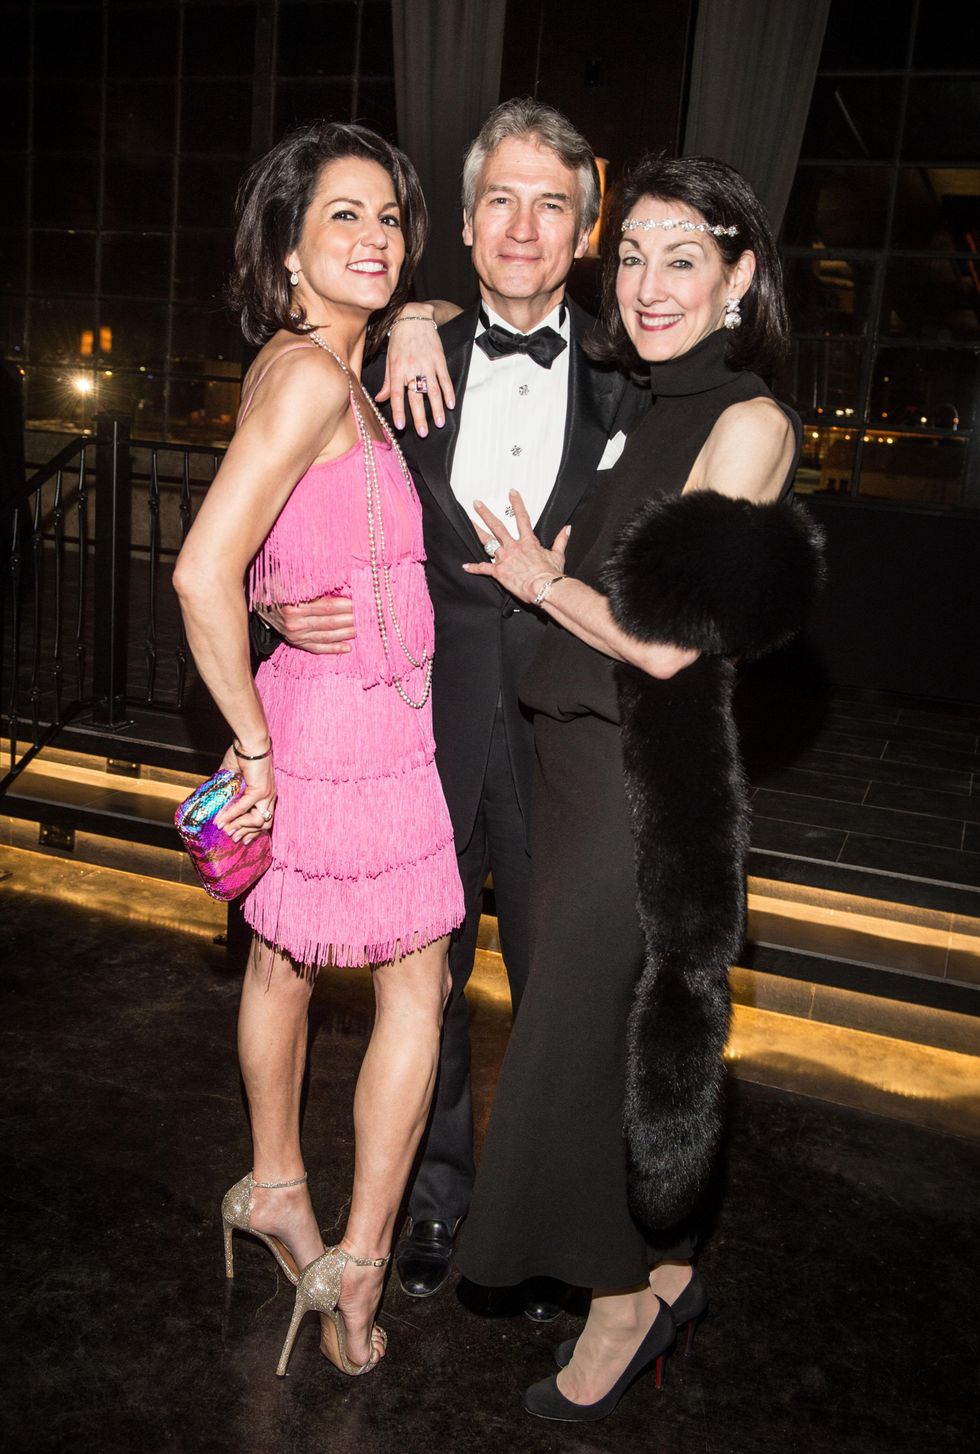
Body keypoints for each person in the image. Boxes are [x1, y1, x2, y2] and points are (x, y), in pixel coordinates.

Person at [259, 99, 649, 1317]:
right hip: (408, 733)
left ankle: (537, 1218)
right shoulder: (383, 352)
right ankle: (434, 1196)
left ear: (583, 230)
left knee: (554, 987)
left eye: (552, 203)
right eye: (500, 199)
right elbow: (283, 500)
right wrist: (273, 598)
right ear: (466, 224)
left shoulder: (636, 370)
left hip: (569, 742)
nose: (524, 225)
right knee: (416, 984)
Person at [454, 153, 823, 1422]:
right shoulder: (634, 401)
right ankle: (664, 1267)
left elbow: (666, 642)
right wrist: (405, 314)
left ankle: (619, 1305)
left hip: (637, 783)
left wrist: (539, 581)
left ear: (737, 279)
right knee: (603, 1043)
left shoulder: (748, 420)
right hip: (564, 764)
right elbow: (496, 302)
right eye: (637, 254)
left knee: (567, 1041)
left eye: (684, 258)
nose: (650, 282)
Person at [173, 121, 463, 1380]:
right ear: (286, 248)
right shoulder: (303, 376)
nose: (374, 238)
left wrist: (414, 311)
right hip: (337, 731)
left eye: (390, 217)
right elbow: (198, 569)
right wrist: (252, 748)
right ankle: (355, 1260)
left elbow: (283, 543)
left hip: (343, 712)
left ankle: (277, 1186)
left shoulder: (322, 365)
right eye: (341, 216)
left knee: (282, 970)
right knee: (417, 986)